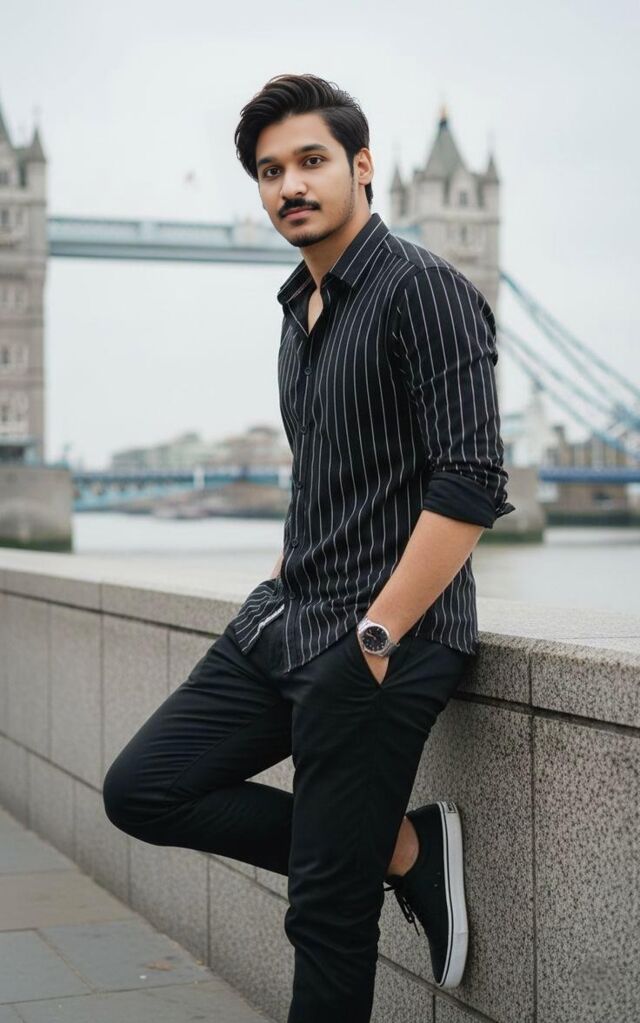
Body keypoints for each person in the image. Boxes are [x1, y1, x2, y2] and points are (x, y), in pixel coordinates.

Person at [102, 72, 515, 1023]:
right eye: (269, 170)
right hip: (288, 618)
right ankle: (401, 848)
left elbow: (470, 483)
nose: (290, 184)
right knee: (142, 790)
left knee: (325, 911)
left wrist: (375, 635)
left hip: (385, 639)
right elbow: (329, 477)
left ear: (362, 166)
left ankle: (362, 855)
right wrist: (279, 583)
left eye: (311, 160)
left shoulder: (427, 292)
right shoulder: (299, 310)